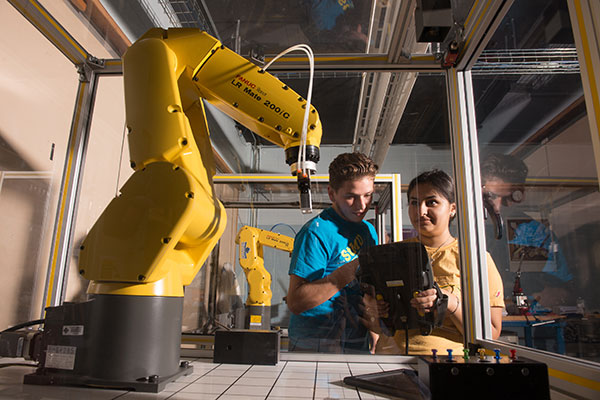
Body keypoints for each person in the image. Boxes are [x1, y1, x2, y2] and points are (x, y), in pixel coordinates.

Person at [374, 169, 505, 354]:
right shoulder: (391, 254)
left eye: (431, 202)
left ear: (452, 208)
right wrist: (376, 310)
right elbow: (377, 320)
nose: (421, 211)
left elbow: (491, 332)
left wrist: (449, 303)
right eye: (414, 203)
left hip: (446, 362)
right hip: (389, 358)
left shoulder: (475, 259)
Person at [286, 152, 379, 353]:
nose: (361, 206)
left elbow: (368, 289)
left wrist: (374, 332)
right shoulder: (316, 232)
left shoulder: (368, 231)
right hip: (314, 343)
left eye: (367, 195)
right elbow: (295, 302)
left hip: (355, 341)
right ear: (331, 194)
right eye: (350, 197)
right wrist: (346, 273)